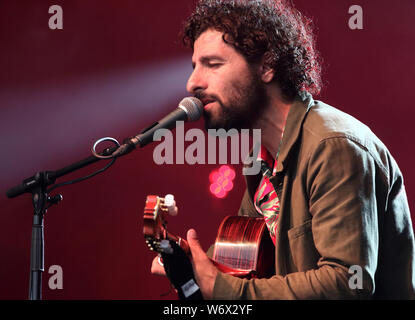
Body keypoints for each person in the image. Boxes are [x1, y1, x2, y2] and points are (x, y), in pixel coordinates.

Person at [151, 0, 415, 299]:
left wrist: (220, 287)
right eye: (194, 66)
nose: (192, 83)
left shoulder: (334, 147)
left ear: (267, 66)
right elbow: (243, 263)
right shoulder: (261, 157)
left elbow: (346, 283)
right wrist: (188, 265)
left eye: (212, 64)